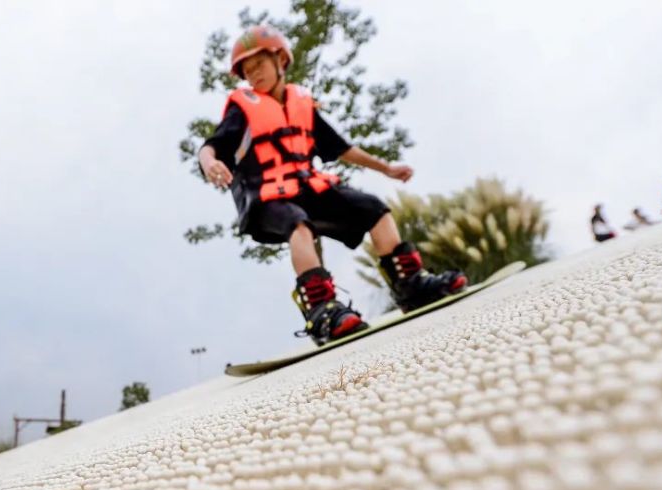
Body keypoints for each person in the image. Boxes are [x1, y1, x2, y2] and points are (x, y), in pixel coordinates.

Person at [197, 25, 466, 346]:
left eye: (259, 65)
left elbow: (342, 149)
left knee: (374, 209)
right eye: (247, 71)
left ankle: (410, 286)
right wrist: (210, 163)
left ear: (280, 59)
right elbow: (211, 145)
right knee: (298, 225)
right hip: (267, 198)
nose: (253, 75)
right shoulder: (245, 108)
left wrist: (387, 168)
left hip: (307, 188)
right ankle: (322, 311)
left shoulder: (302, 105)